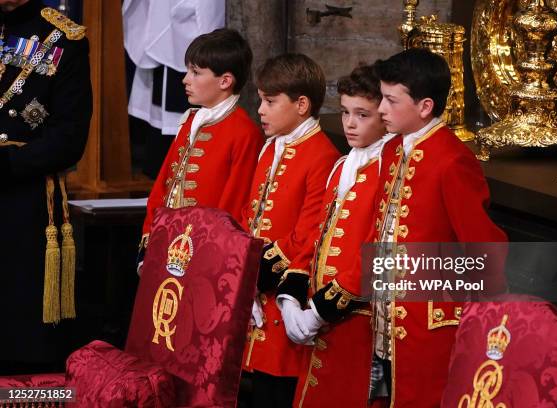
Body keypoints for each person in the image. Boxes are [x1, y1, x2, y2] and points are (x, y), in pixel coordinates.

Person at [369, 48, 508, 407]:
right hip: (385, 321)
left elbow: (484, 249)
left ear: (425, 106)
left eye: (389, 100)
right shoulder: (392, 149)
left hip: (430, 327)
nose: (380, 109)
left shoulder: (452, 159)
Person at [278, 64, 393, 407]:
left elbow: (378, 251)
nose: (350, 123)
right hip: (317, 315)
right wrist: (290, 299)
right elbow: (315, 234)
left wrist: (318, 312)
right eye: (345, 112)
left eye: (363, 114)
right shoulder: (342, 166)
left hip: (358, 321)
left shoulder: (389, 170)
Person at [241, 53, 340, 408]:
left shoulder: (321, 155)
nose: (261, 110)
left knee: (276, 390)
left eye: (269, 101)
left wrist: (253, 275)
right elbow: (250, 213)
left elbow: (308, 233)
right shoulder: (271, 146)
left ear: (301, 104)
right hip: (253, 293)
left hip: (282, 292)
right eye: (259, 100)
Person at [0, 0, 92, 373]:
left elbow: (70, 137)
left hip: (23, 195)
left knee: (17, 325)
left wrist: (7, 165)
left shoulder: (63, 38)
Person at [139, 28, 263, 272]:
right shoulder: (189, 121)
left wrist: (209, 254)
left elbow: (233, 205)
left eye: (196, 73)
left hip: (203, 256)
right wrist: (149, 237)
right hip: (168, 246)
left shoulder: (244, 132)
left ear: (225, 81)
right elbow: (164, 185)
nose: (185, 79)